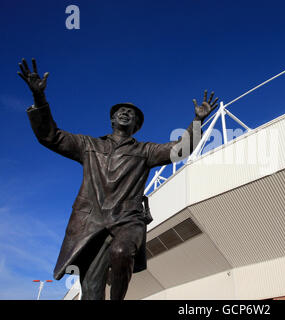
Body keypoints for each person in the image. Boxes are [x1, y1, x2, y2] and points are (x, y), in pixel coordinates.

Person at [18, 58, 218, 300]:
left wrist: (198, 121)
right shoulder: (88, 145)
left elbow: (180, 150)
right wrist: (39, 97)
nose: (125, 113)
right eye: (120, 111)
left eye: (131, 114)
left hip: (127, 220)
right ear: (112, 120)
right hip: (91, 223)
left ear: (136, 125)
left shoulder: (145, 151)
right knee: (92, 293)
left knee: (122, 251)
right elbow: (50, 136)